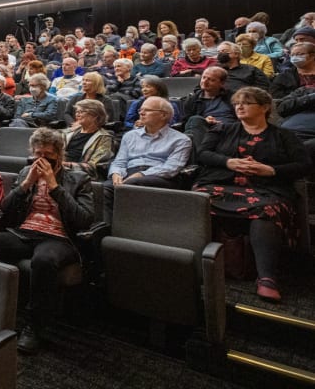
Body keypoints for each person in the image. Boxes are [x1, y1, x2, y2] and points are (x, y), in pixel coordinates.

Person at [0, 128, 94, 353]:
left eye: (48, 155)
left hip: (59, 237)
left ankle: (35, 326)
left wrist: (54, 187)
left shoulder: (78, 179)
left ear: (59, 155)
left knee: (44, 261)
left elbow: (83, 220)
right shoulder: (27, 172)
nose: (42, 160)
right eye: (38, 154)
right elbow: (5, 211)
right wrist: (26, 184)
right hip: (25, 233)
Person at [193, 87, 309, 302]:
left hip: (266, 189)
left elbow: (304, 165)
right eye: (237, 103)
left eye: (246, 103)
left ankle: (266, 278)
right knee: (196, 201)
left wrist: (272, 170)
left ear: (265, 107)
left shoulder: (284, 135)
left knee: (267, 210)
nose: (239, 107)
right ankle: (192, 264)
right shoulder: (222, 129)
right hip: (221, 184)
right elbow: (203, 154)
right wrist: (228, 162)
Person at [103, 97, 191, 224]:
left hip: (160, 176)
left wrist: (142, 174)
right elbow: (120, 161)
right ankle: (107, 227)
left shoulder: (181, 140)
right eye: (141, 110)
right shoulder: (130, 136)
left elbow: (172, 168)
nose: (141, 113)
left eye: (147, 110)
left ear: (163, 115)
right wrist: (116, 173)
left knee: (131, 185)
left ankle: (131, 226)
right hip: (130, 171)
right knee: (107, 186)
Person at [62, 100, 115, 180]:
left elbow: (93, 167)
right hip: (61, 170)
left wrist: (66, 165)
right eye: (77, 112)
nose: (77, 114)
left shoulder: (104, 138)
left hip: (82, 176)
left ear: (95, 116)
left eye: (81, 112)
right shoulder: (68, 133)